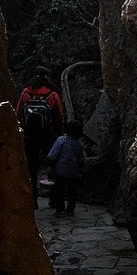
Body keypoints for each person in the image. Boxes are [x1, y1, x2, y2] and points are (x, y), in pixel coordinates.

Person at [15, 66, 65, 208]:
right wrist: (61, 132)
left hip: (30, 135)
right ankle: (54, 199)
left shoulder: (26, 93)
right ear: (46, 77)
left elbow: (18, 112)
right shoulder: (52, 94)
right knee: (52, 165)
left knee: (31, 166)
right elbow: (59, 116)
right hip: (49, 135)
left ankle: (33, 199)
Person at [46, 120, 85, 216]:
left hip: (60, 171)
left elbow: (53, 154)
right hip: (74, 172)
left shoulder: (61, 140)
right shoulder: (78, 144)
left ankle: (60, 209)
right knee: (72, 192)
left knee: (60, 191)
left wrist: (50, 165)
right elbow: (82, 159)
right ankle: (70, 209)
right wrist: (81, 170)